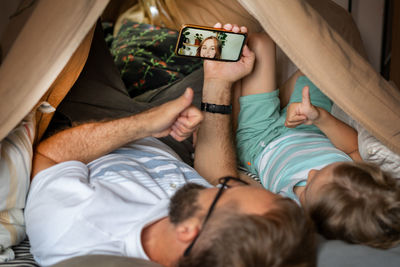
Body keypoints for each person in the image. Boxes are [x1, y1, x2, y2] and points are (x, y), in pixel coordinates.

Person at [24, 23, 316, 267]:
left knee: (69, 23)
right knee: (247, 50)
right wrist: (217, 81)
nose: (220, 182)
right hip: (174, 136)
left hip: (94, 133)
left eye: (225, 191)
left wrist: (144, 124)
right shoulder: (214, 239)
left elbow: (49, 156)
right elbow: (214, 175)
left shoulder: (75, 229)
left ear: (189, 230)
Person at [234, 32, 400, 249]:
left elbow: (245, 184)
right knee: (325, 61)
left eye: (308, 185)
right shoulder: (355, 180)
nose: (311, 173)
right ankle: (277, 102)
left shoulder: (289, 210)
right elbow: (351, 146)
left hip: (260, 141)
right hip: (309, 123)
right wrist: (320, 117)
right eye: (326, 168)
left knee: (256, 44)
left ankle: (257, 105)